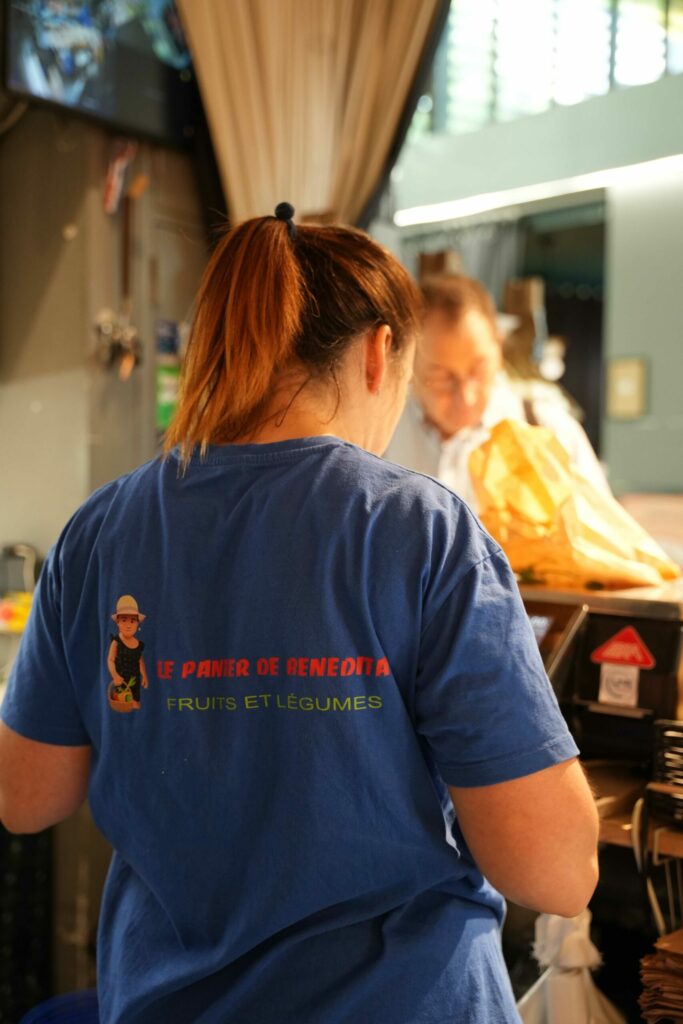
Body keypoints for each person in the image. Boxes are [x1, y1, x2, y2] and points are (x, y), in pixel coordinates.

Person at [0, 205, 598, 1024]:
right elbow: (554, 872)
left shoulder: (100, 529)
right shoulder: (419, 529)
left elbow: (24, 796)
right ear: (379, 353)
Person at [385, 273, 610, 510]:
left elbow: (607, 537)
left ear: (499, 347)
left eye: (478, 371)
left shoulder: (549, 431)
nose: (467, 397)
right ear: (409, 362)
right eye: (442, 379)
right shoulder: (381, 436)